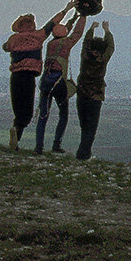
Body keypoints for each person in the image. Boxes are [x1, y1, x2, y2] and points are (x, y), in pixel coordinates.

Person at [2, 0, 75, 150]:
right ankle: (17, 133)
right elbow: (52, 23)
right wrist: (67, 9)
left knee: (18, 109)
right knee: (27, 112)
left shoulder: (13, 39)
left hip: (15, 77)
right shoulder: (39, 36)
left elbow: (6, 47)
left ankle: (15, 134)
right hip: (29, 77)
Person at [33, 12, 87, 154]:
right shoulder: (66, 43)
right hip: (59, 83)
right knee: (63, 114)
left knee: (43, 116)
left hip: (45, 82)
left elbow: (66, 30)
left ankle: (39, 147)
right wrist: (83, 17)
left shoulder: (50, 44)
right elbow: (76, 33)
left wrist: (73, 18)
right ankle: (56, 144)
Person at [75, 20, 114, 160]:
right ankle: (83, 155)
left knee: (84, 125)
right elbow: (111, 47)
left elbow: (86, 43)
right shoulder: (103, 58)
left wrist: (91, 29)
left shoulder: (85, 56)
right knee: (91, 128)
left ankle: (83, 153)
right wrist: (107, 31)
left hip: (82, 92)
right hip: (95, 96)